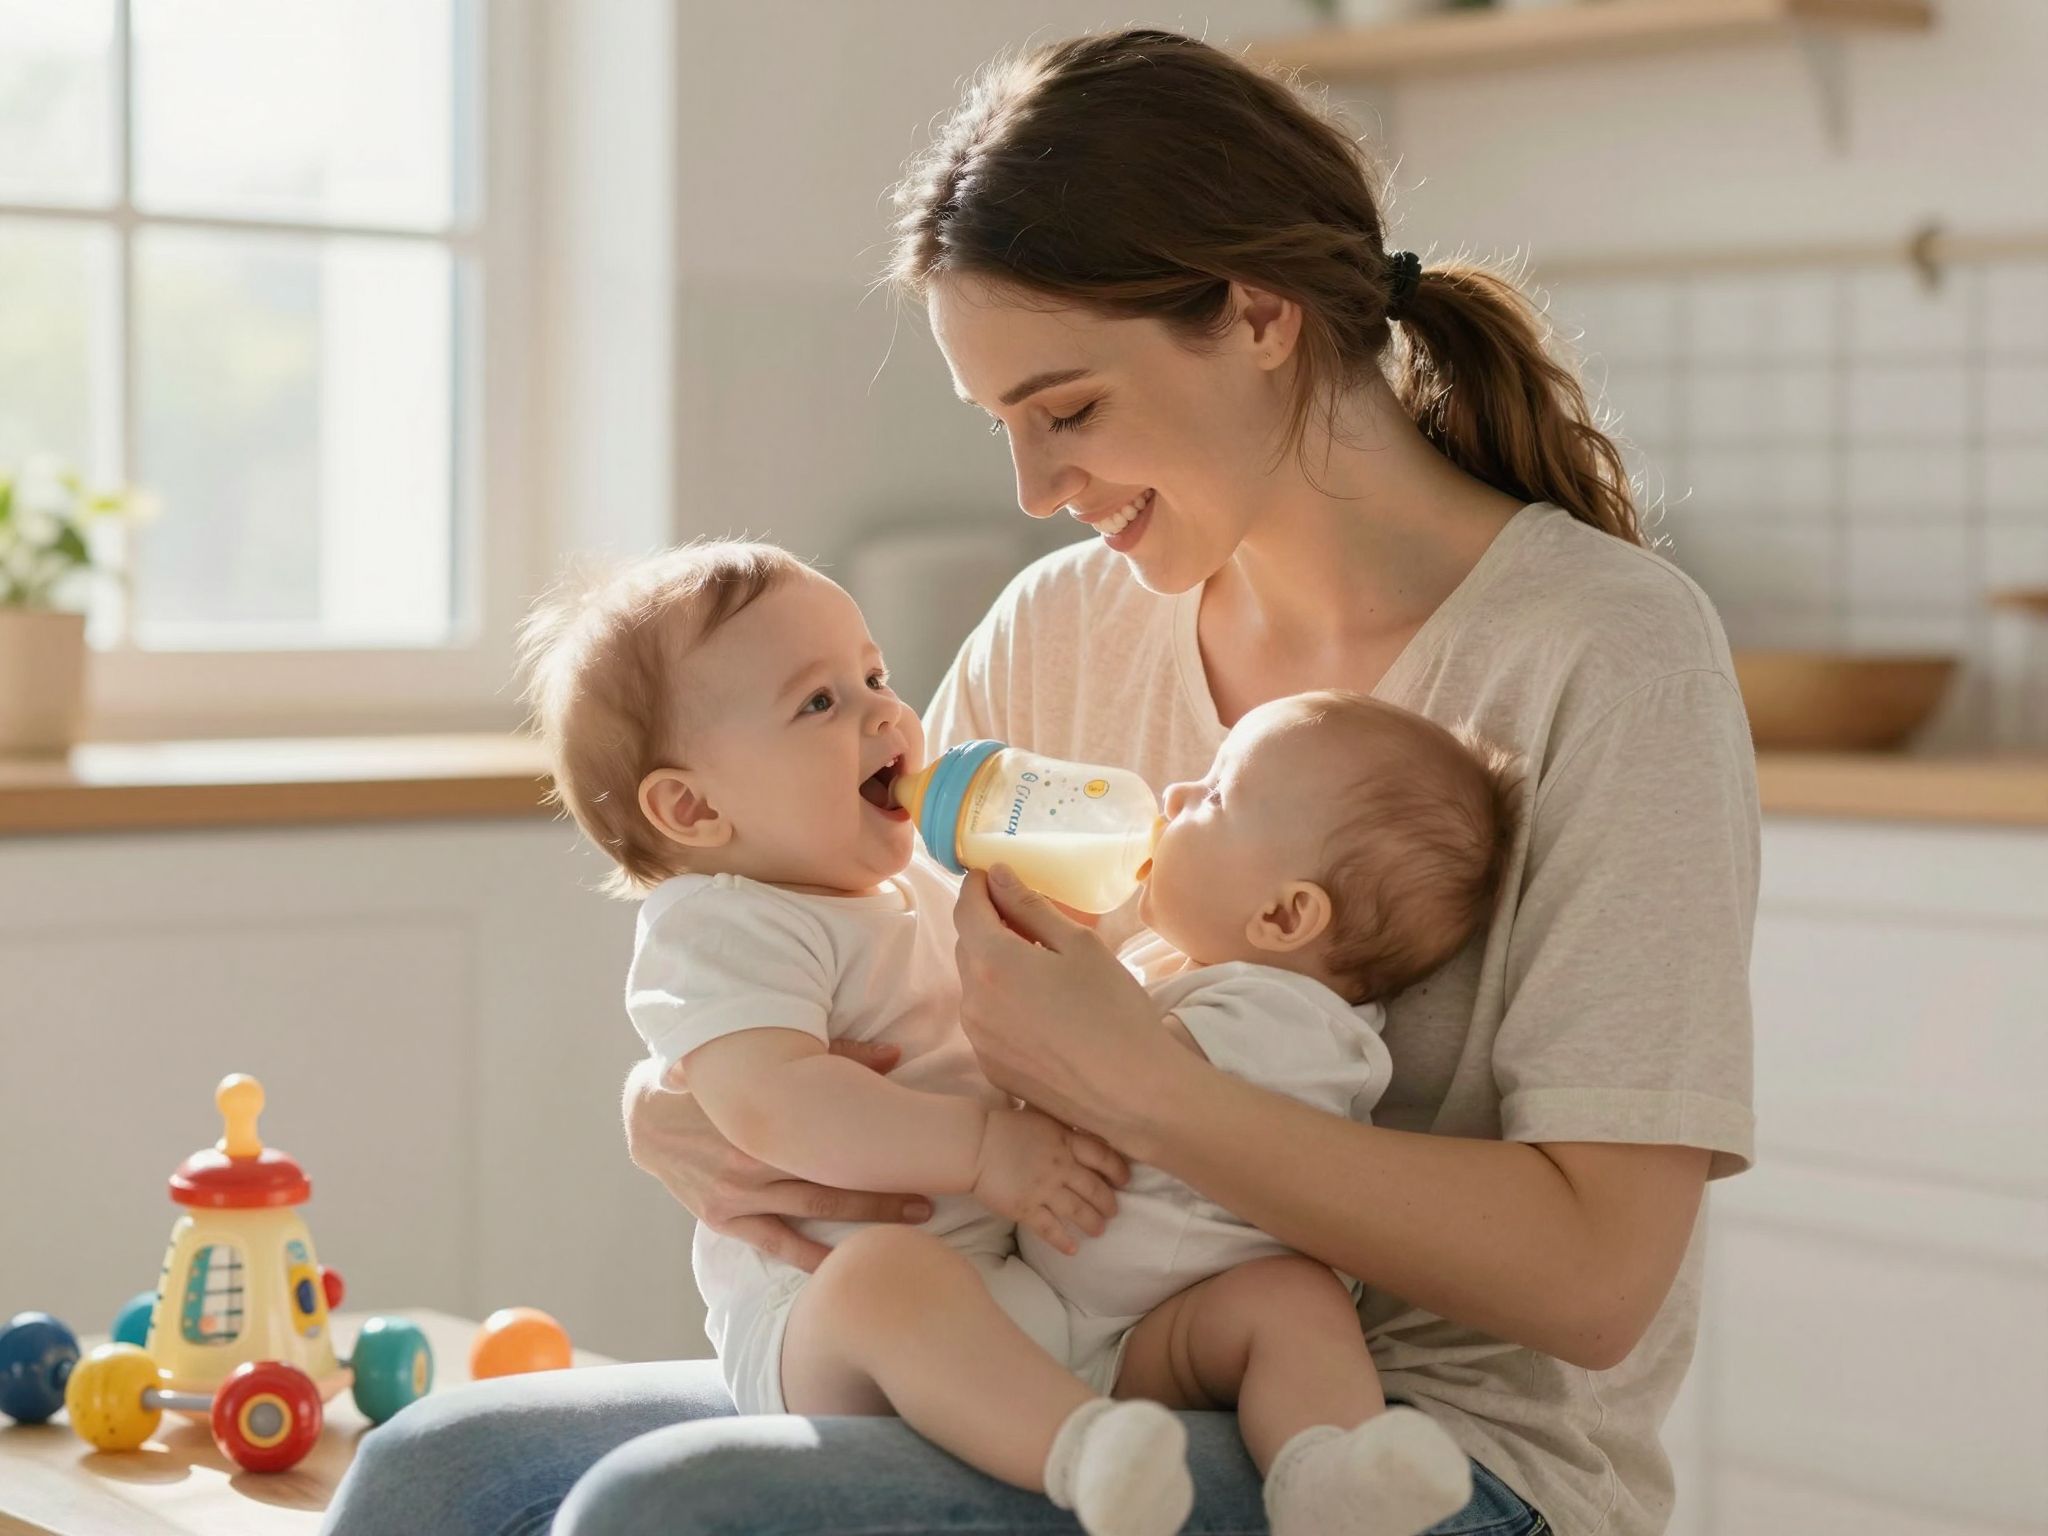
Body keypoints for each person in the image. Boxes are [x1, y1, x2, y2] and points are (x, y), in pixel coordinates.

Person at [322, 28, 1755, 1536]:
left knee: (679, 1511)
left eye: (1065, 409)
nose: (1032, 488)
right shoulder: (1061, 624)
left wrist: (1140, 1084)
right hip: (1047, 1347)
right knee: (443, 1472)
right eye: (999, 424)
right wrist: (674, 1098)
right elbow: (864, 971)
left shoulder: (1601, 654)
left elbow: (1597, 1285)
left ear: (1259, 316)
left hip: (1418, 1453)